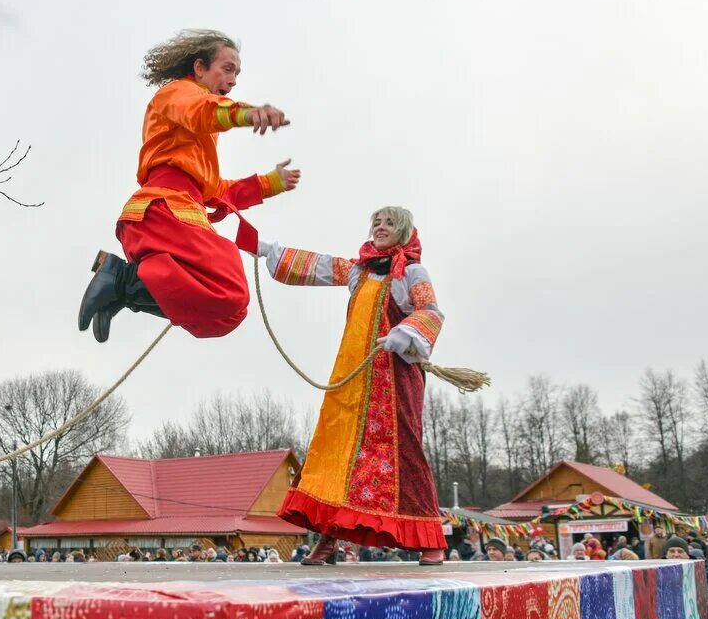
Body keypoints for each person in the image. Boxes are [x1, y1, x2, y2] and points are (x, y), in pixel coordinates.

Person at [77, 29, 299, 342]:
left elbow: (212, 189)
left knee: (227, 313)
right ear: (199, 68)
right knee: (231, 287)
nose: (233, 79)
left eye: (237, 73)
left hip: (175, 214)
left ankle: (121, 292)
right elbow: (202, 112)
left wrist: (268, 183)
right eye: (227, 68)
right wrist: (247, 113)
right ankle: (121, 279)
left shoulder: (197, 139)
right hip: (162, 212)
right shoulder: (177, 94)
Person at [259, 207, 447, 566]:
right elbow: (319, 266)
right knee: (336, 453)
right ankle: (328, 540)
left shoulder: (411, 271)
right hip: (352, 379)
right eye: (376, 222)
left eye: (389, 223)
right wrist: (269, 250)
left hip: (393, 381)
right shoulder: (360, 270)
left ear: (404, 231)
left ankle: (429, 537)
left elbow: (431, 311)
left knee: (404, 451)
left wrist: (404, 332)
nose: (380, 227)